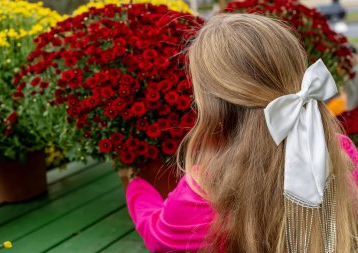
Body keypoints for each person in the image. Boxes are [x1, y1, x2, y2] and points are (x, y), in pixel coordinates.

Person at [126, 14, 358, 253]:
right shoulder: (342, 155)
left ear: (211, 106)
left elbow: (157, 236)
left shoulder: (204, 191)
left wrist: (137, 187)